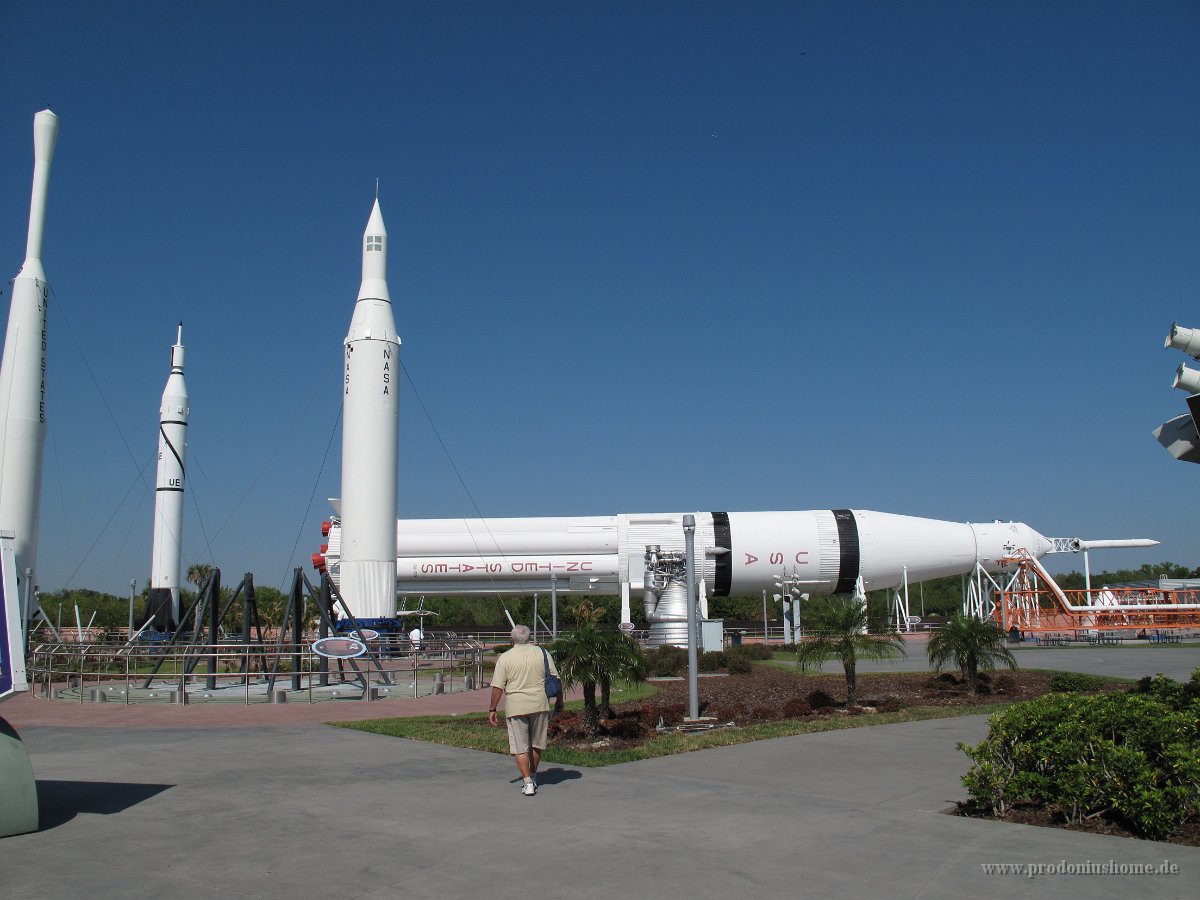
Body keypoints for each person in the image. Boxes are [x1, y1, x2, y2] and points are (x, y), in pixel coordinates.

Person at [488, 624, 564, 796]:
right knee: (537, 743)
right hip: (539, 704)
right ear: (529, 638)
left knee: (520, 746)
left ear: (512, 639)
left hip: (516, 706)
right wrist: (559, 700)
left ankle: (527, 782)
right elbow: (555, 679)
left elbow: (498, 687)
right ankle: (534, 774)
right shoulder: (543, 653)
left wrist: (492, 708)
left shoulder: (505, 658)